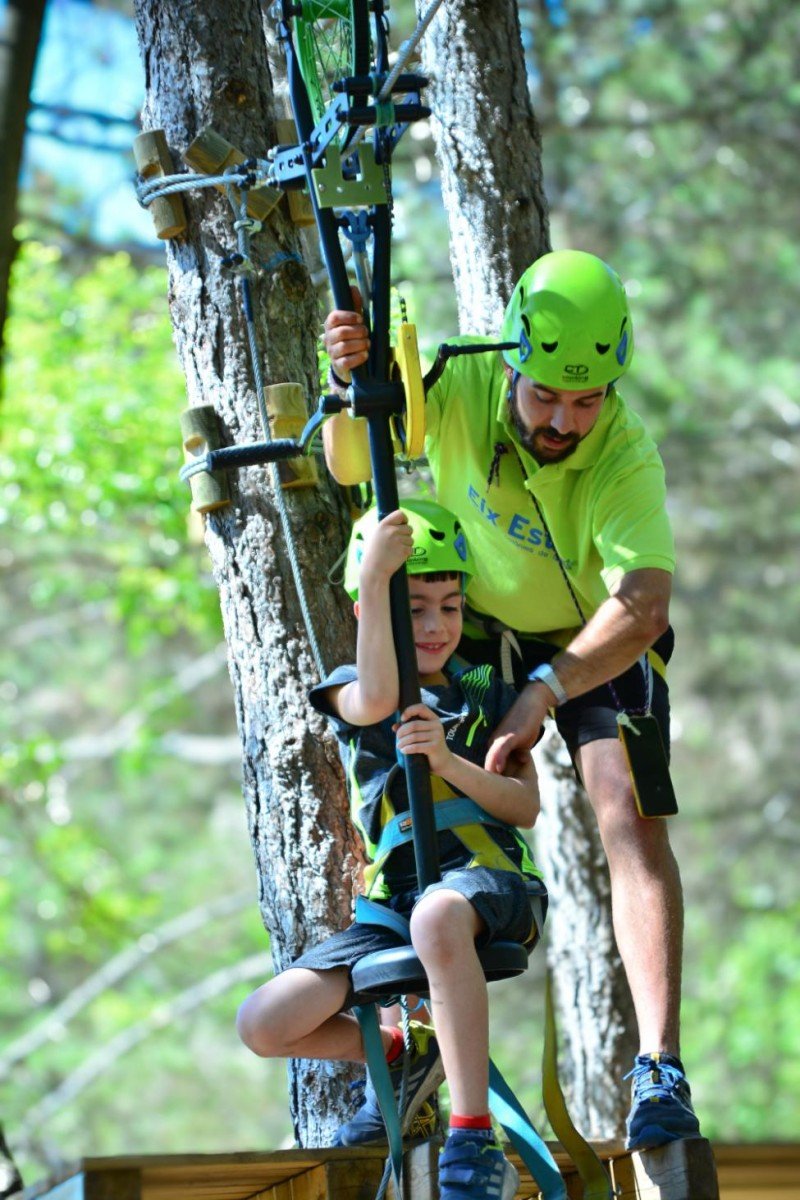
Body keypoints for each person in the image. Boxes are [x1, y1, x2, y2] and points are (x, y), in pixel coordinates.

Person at [321, 249, 701, 1151]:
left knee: (627, 812)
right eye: (546, 397)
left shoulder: (624, 454)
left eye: (587, 400)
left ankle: (659, 1067)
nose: (565, 421)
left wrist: (545, 689)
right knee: (425, 788)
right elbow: (351, 461)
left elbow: (644, 603)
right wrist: (348, 383)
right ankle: (417, 1049)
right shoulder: (458, 383)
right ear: (513, 361)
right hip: (479, 626)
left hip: (595, 638)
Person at [236, 499, 546, 1200]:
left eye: (450, 608)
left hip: (490, 880)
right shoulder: (349, 689)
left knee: (439, 915)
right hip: (397, 904)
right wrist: (375, 577)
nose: (435, 627)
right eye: (414, 610)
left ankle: (472, 1133)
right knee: (264, 1023)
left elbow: (523, 806)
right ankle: (408, 1055)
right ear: (369, 608)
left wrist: (449, 763)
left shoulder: (482, 689)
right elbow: (377, 698)